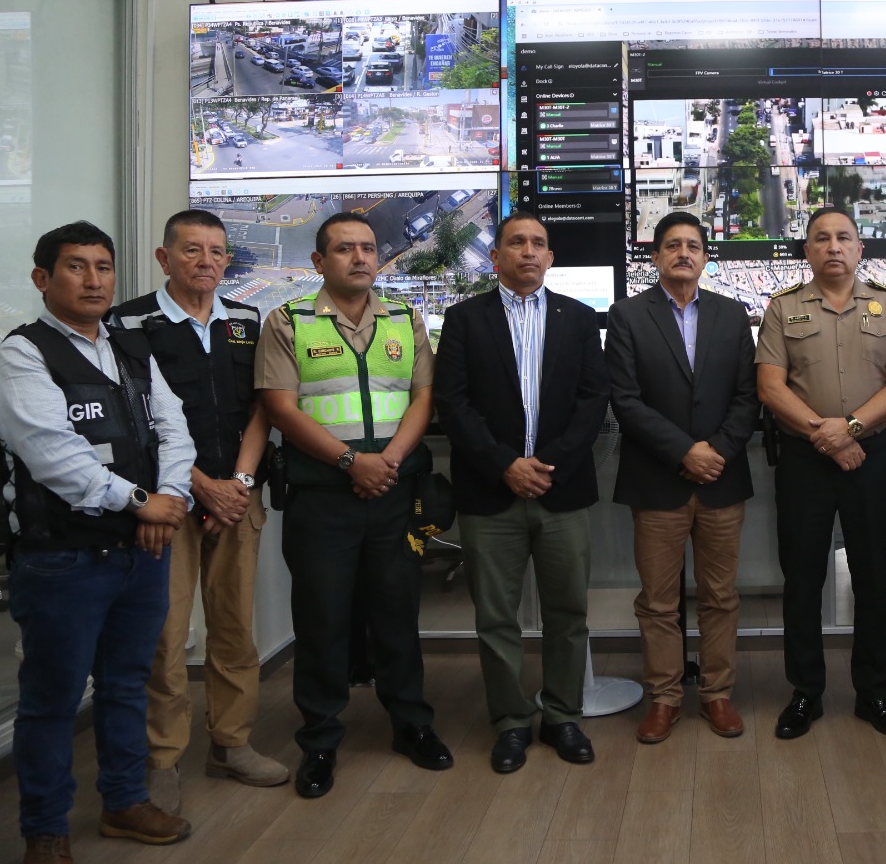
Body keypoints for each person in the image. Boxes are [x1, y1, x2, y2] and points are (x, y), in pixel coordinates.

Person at [0, 222, 195, 861]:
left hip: (142, 554)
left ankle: (124, 802)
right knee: (50, 701)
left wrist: (171, 500)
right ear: (42, 279)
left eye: (103, 267)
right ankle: (45, 830)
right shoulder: (22, 356)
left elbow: (174, 430)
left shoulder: (132, 351)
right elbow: (54, 457)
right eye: (76, 267)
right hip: (63, 559)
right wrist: (142, 503)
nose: (94, 279)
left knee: (128, 684)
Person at [256, 212, 449, 800]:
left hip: (393, 491)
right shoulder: (287, 321)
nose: (360, 258)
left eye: (368, 248)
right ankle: (319, 738)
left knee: (397, 613)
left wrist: (385, 460)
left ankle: (411, 723)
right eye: (344, 249)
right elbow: (281, 409)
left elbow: (422, 397)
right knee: (322, 617)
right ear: (319, 262)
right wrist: (350, 462)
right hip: (323, 497)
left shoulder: (405, 318)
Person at [109, 210, 288, 814]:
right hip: (167, 502)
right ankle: (161, 759)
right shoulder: (129, 323)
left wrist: (236, 483)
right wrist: (200, 486)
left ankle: (231, 743)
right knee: (166, 634)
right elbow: (135, 418)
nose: (206, 262)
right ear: (164, 258)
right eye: (191, 251)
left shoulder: (245, 319)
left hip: (238, 499)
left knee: (236, 627)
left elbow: (264, 408)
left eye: (216, 251)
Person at [434, 211, 609, 774]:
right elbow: (453, 404)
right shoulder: (464, 320)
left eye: (538, 244)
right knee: (496, 616)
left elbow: (592, 403)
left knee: (568, 612)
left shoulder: (580, 319)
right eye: (516, 243)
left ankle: (562, 715)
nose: (528, 252)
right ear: (497, 257)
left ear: (551, 258)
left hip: (561, 491)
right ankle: (510, 721)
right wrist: (506, 465)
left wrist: (546, 465)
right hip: (491, 494)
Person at [756, 206, 886, 740]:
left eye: (843, 238)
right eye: (821, 239)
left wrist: (848, 429)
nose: (833, 247)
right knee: (803, 580)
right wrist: (825, 437)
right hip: (805, 461)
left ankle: (875, 693)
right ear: (807, 251)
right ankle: (806, 693)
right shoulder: (782, 309)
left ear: (859, 249)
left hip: (871, 458)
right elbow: (771, 388)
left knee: (875, 577)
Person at [606, 211, 758, 744]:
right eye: (672, 245)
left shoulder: (733, 314)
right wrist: (684, 452)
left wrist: (713, 451)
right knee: (658, 600)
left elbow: (748, 397)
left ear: (705, 257)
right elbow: (624, 399)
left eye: (693, 245)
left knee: (721, 595)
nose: (683, 253)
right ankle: (664, 698)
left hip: (721, 478)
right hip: (658, 481)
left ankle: (717, 695)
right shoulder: (627, 316)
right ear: (655, 256)